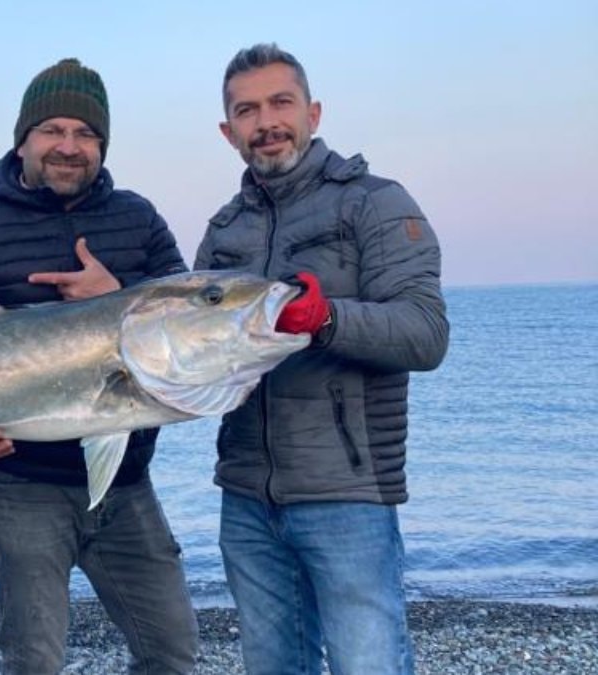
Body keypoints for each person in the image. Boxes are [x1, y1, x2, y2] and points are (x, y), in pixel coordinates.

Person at [0, 58, 199, 674]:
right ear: (22, 140)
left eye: (86, 133)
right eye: (52, 130)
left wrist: (115, 296)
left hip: (126, 481)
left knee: (173, 651)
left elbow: (189, 317)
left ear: (102, 145)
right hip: (21, 487)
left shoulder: (139, 219)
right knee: (34, 662)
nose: (69, 147)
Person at [193, 43, 450, 675]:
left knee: (369, 665)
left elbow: (425, 333)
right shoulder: (224, 230)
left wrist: (326, 318)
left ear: (313, 112)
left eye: (281, 103)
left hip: (349, 495)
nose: (267, 122)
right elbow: (195, 352)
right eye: (247, 111)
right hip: (246, 496)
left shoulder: (375, 203)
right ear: (228, 132)